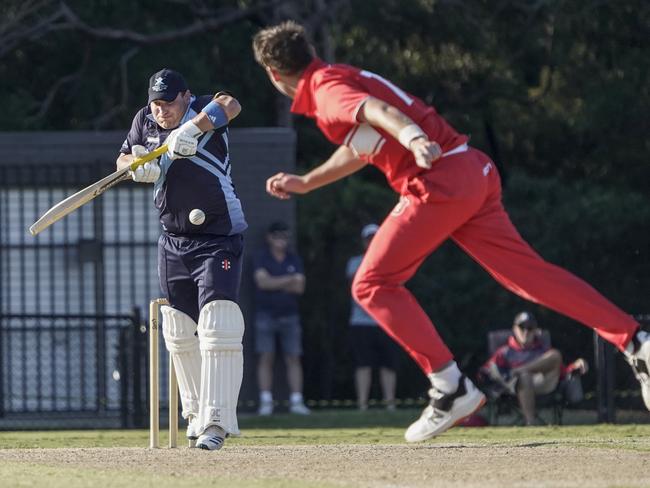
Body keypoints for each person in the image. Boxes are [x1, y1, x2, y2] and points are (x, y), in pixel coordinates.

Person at [252, 21, 650, 442]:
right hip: (471, 170)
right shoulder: (338, 77)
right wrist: (309, 181)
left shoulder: (327, 91)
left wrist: (415, 137)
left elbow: (380, 113)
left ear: (274, 75)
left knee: (371, 284)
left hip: (438, 181)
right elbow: (364, 140)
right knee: (532, 277)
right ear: (309, 51)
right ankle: (635, 340)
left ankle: (450, 387)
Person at [117, 68, 247, 450]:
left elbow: (231, 103)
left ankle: (217, 423)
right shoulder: (144, 119)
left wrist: (192, 130)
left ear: (186, 97)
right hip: (173, 239)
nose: (161, 112)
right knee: (177, 329)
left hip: (219, 236)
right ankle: (195, 415)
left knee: (218, 323)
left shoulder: (203, 107)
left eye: (168, 103)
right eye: (156, 104)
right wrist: (138, 167)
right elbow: (122, 159)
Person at [480, 311, 588, 425]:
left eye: (530, 328)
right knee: (525, 377)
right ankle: (531, 423)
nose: (526, 331)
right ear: (515, 329)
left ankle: (521, 370)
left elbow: (562, 371)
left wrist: (576, 365)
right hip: (515, 388)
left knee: (555, 355)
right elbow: (486, 371)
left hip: (542, 384)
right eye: (522, 327)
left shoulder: (543, 350)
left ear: (535, 330)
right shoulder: (504, 352)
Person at [252, 221, 310, 415]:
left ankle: (296, 401)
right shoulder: (261, 257)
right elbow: (262, 283)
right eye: (277, 236)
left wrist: (274, 281)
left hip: (290, 315)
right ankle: (266, 402)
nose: (281, 240)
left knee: (293, 357)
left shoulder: (294, 258)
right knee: (266, 357)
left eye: (284, 236)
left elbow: (300, 287)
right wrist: (288, 280)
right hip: (265, 315)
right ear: (269, 237)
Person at [346, 223, 398, 410]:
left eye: (375, 237)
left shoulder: (391, 262)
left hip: (386, 322)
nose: (372, 242)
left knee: (388, 365)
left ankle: (390, 404)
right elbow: (359, 289)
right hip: (360, 322)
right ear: (363, 242)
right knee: (363, 364)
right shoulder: (354, 263)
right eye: (369, 239)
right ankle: (362, 405)